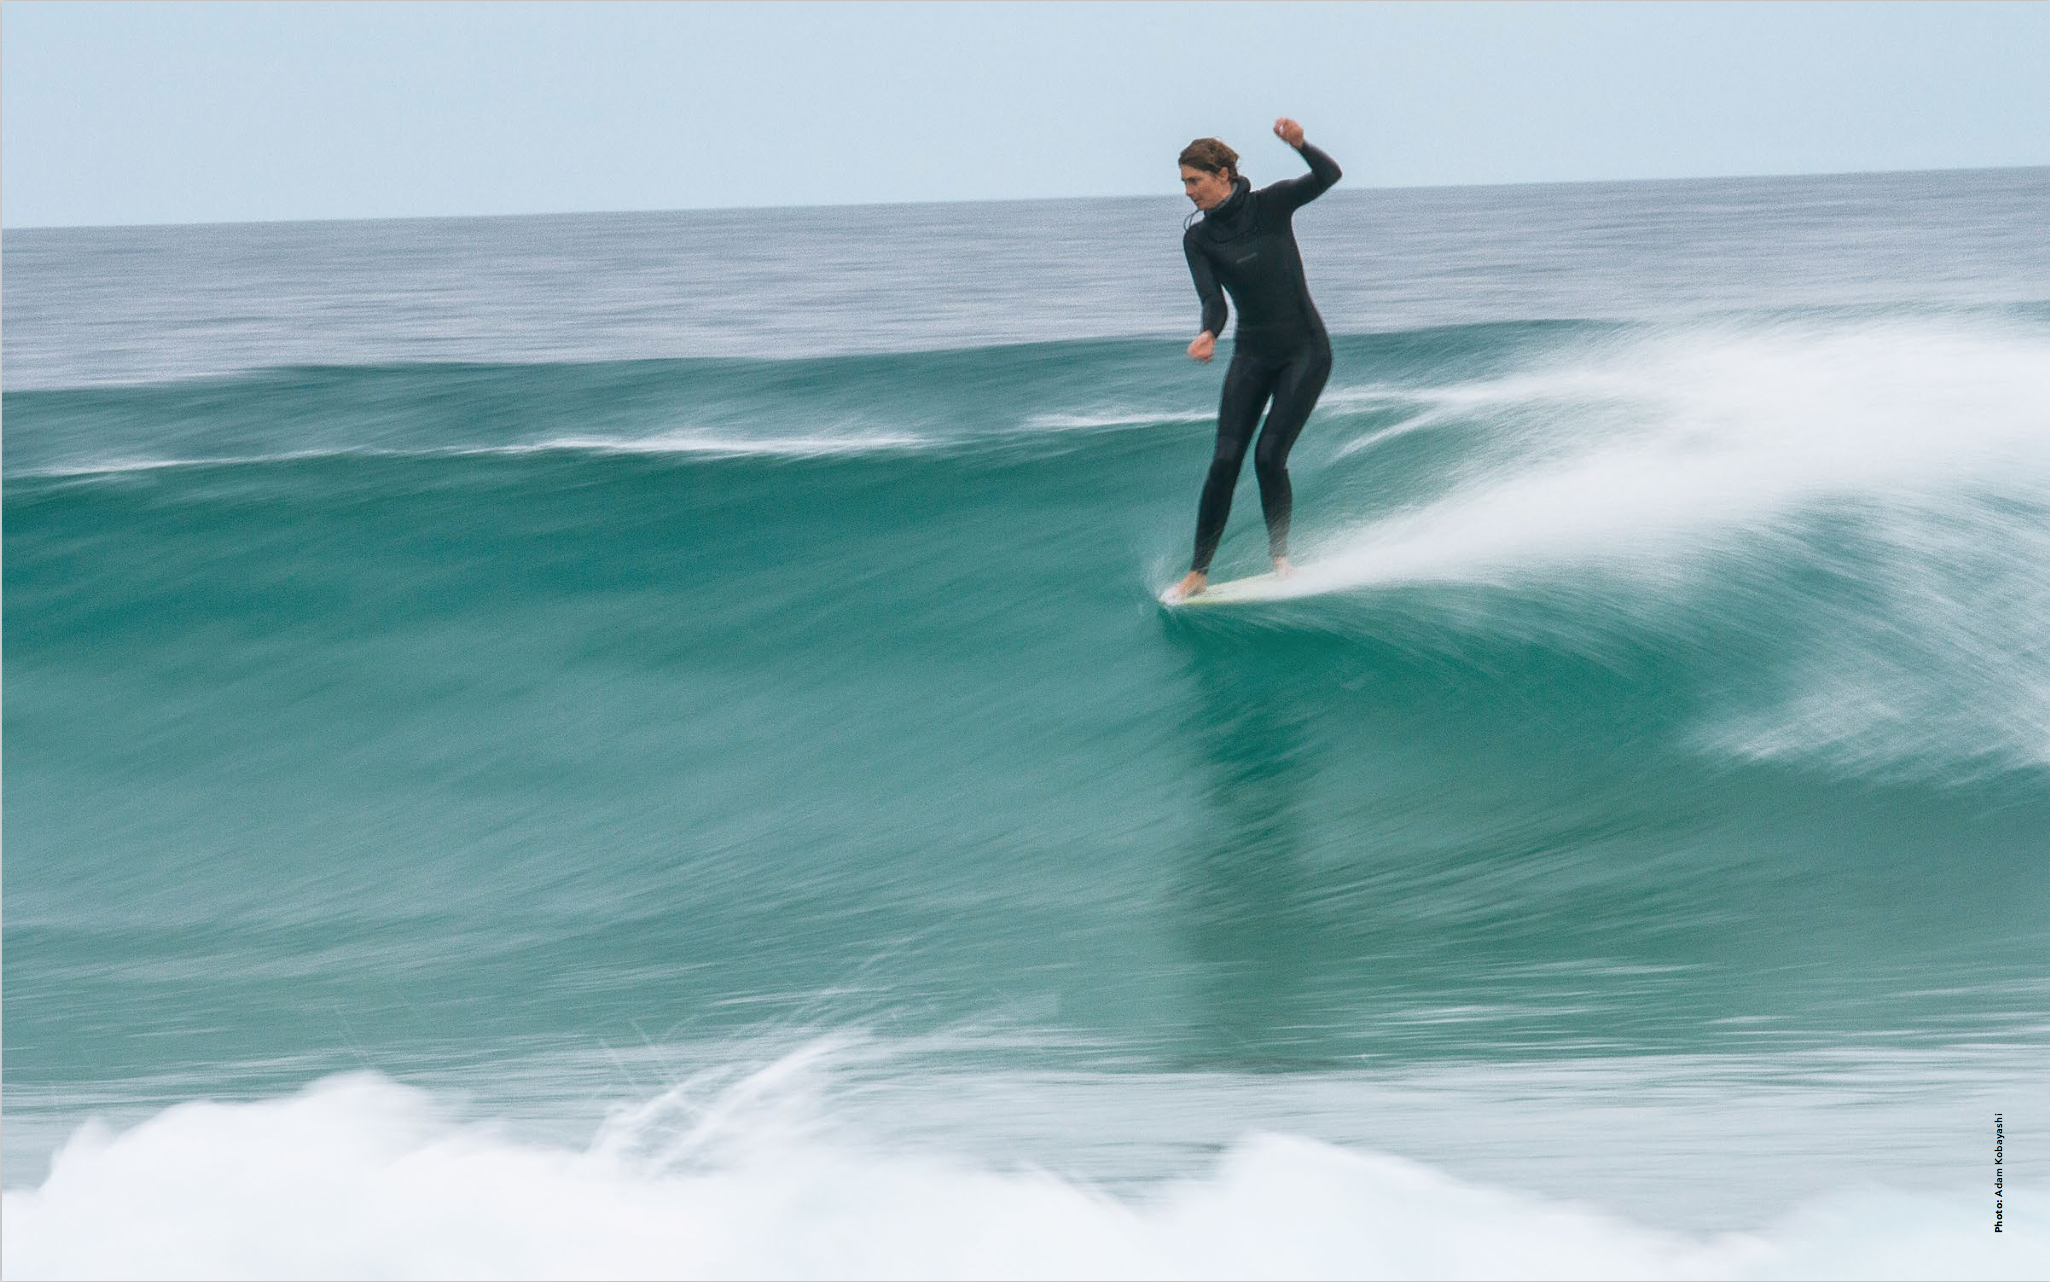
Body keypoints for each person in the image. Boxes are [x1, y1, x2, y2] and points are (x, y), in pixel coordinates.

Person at [1166, 118, 1341, 603]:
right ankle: (1199, 571)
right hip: (1251, 353)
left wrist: (1301, 145)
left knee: (1268, 457)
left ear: (1223, 173)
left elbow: (1328, 177)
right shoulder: (1198, 240)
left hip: (1305, 351)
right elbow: (1214, 301)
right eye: (1183, 182)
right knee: (1223, 460)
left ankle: (1281, 558)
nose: (1187, 192)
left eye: (1194, 181)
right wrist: (1208, 332)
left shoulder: (1272, 204)